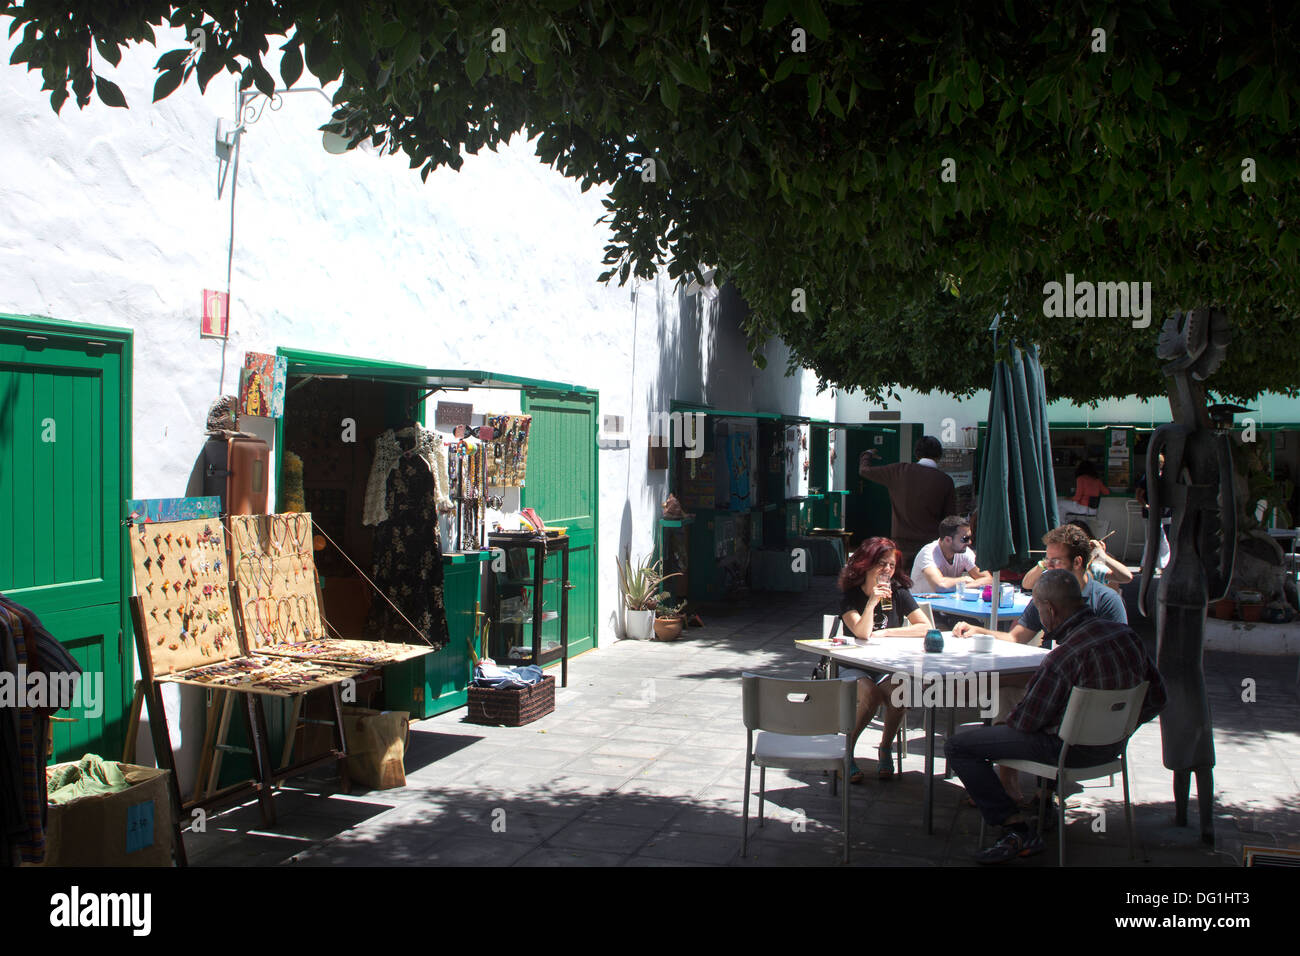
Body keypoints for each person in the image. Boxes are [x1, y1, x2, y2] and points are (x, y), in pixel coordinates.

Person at [945, 570, 1166, 863]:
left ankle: (1016, 829)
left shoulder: (1064, 657)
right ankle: (1043, 804)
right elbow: (1157, 697)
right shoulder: (1128, 637)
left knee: (959, 746)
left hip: (1065, 753)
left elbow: (1026, 723)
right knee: (1041, 723)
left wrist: (1006, 719)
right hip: (1113, 749)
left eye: (1037, 608)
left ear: (1049, 609)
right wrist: (1118, 729)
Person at [949, 522, 1128, 803]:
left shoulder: (1104, 601)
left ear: (1078, 562)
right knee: (1006, 691)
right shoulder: (1047, 594)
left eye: (1054, 561)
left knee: (1007, 704)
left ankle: (1017, 816)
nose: (1047, 567)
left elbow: (1031, 716)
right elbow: (1017, 637)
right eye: (1046, 561)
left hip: (1081, 718)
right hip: (1086, 721)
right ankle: (1009, 784)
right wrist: (980, 631)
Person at [834, 537, 932, 783]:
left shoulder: (897, 592)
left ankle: (885, 746)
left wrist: (888, 631)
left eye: (891, 565)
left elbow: (925, 626)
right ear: (866, 564)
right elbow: (862, 633)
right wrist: (872, 602)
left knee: (902, 691)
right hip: (853, 663)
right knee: (870, 694)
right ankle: (845, 750)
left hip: (885, 664)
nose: (887, 570)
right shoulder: (850, 595)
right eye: (881, 564)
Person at [858, 435, 957, 570]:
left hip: (901, 543)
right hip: (930, 545)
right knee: (927, 586)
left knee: (901, 584)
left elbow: (864, 470)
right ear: (939, 455)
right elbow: (950, 519)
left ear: (916, 454)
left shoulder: (898, 471)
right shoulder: (945, 481)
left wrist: (867, 455)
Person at [1019, 518, 1133, 592]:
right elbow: (1027, 584)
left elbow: (1126, 577)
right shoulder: (1055, 568)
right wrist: (1045, 562)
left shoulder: (1093, 569)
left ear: (1077, 561)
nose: (1053, 563)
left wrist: (1102, 556)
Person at [910, 515, 994, 592]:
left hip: (946, 605)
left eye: (970, 538)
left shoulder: (964, 551)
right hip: (923, 606)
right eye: (965, 539)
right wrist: (964, 580)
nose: (969, 542)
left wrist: (964, 586)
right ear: (947, 540)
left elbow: (989, 579)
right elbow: (939, 586)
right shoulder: (928, 553)